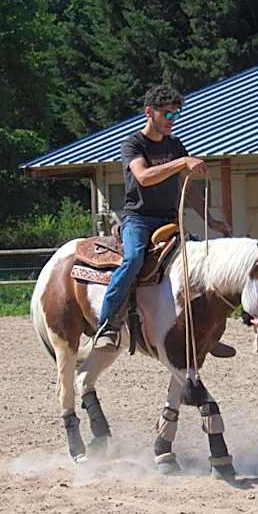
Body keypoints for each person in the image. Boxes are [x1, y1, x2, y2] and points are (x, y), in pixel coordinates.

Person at [93, 85, 232, 351]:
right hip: (138, 218)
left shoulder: (174, 145)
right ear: (149, 112)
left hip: (169, 220)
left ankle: (206, 332)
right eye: (167, 114)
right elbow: (143, 177)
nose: (172, 120)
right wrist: (182, 162)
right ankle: (107, 324)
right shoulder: (133, 144)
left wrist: (210, 220)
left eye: (175, 115)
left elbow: (188, 190)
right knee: (134, 259)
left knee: (199, 263)